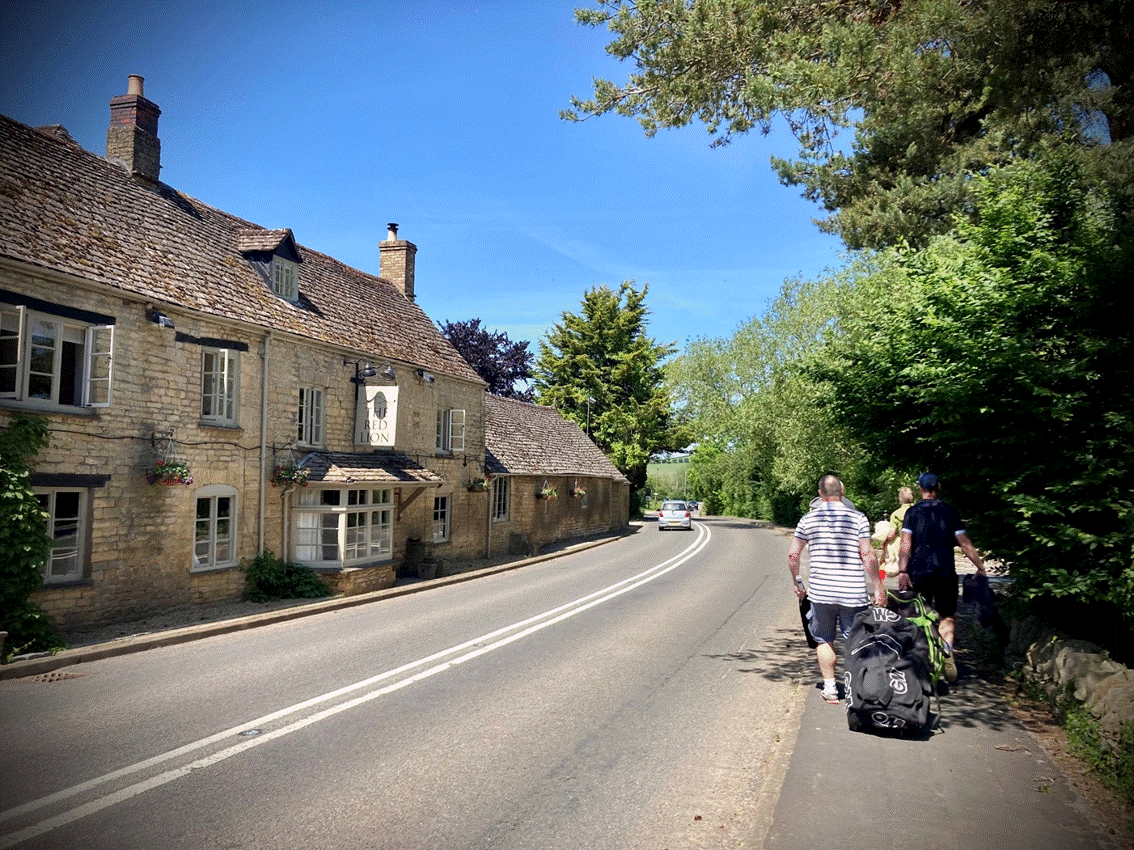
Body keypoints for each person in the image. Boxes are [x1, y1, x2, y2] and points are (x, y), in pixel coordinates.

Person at [789, 474, 886, 704]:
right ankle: (860, 689)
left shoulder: (807, 520)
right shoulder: (858, 518)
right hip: (853, 592)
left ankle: (831, 688)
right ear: (842, 492)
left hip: (821, 593)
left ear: (820, 494)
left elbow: (793, 554)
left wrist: (798, 583)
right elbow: (867, 554)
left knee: (824, 639)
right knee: (856, 641)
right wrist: (878, 586)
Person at [897, 472, 986, 682]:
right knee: (946, 615)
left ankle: (924, 658)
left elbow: (905, 545)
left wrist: (902, 571)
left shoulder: (912, 513)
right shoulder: (949, 511)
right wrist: (980, 566)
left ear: (919, 488)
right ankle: (946, 650)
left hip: (918, 573)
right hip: (945, 572)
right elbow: (964, 543)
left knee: (921, 616)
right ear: (939, 487)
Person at [880, 486, 916, 573]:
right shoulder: (919, 510)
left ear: (900, 499)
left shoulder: (896, 514)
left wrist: (885, 541)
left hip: (906, 546)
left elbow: (891, 534)